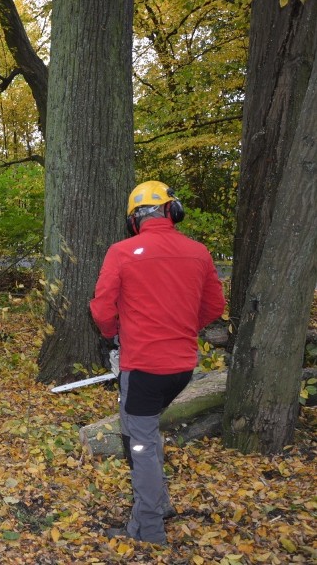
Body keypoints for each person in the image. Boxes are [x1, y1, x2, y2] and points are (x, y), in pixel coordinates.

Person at [90, 180, 226, 545]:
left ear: (134, 220)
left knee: (140, 442)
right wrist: (183, 328)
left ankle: (148, 528)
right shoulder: (198, 252)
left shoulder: (121, 252)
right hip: (182, 369)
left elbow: (102, 309)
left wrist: (113, 334)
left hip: (144, 367)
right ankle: (159, 503)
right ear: (172, 210)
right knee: (146, 434)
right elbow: (215, 305)